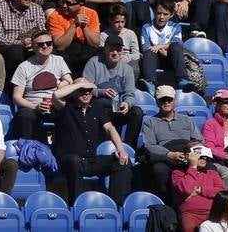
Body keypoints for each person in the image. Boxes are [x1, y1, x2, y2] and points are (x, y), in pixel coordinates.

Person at [51, 77, 133, 205]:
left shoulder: (97, 107)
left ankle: (116, 206)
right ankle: (76, 206)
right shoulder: (65, 106)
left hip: (91, 160)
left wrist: (120, 149)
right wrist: (79, 84)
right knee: (74, 161)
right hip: (68, 161)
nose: (86, 93)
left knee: (123, 162)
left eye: (89, 90)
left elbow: (110, 128)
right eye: (82, 90)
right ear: (74, 90)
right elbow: (56, 95)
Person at [10, 27, 72, 140]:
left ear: (52, 45)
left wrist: (65, 82)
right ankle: (26, 148)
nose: (45, 46)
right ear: (33, 47)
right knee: (24, 115)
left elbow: (69, 80)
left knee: (71, 113)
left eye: (48, 43)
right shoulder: (24, 66)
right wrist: (35, 107)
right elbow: (16, 97)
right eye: (40, 44)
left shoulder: (59, 60)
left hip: (56, 106)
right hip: (33, 106)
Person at [82, 33, 144, 148]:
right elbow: (84, 89)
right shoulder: (94, 63)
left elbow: (130, 94)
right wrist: (101, 92)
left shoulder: (127, 69)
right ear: (105, 50)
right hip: (95, 106)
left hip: (115, 107)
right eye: (112, 50)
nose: (115, 53)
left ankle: (129, 148)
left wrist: (127, 104)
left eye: (118, 50)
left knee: (137, 112)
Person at [140, 84, 204, 195]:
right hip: (166, 156)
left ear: (174, 100)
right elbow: (149, 145)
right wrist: (170, 154)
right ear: (157, 101)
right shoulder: (150, 122)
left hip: (187, 153)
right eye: (162, 100)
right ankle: (167, 201)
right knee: (158, 169)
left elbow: (199, 140)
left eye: (169, 99)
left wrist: (190, 154)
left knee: (211, 168)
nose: (166, 102)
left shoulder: (187, 120)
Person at [0, 0, 46, 79]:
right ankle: (14, 89)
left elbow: (43, 32)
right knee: (15, 52)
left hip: (32, 45)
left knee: (46, 50)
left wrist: (34, 42)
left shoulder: (36, 9)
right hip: (9, 48)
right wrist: (20, 43)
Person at [174, 142, 227, 232]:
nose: (204, 158)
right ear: (188, 156)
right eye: (200, 156)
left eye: (205, 156)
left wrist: (200, 190)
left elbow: (220, 191)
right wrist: (192, 167)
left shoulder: (212, 173)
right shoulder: (178, 173)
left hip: (212, 212)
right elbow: (186, 189)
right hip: (190, 213)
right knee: (189, 228)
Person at [48, 0, 102, 72]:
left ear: (80, 4)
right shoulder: (55, 16)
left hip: (85, 50)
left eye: (69, 3)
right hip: (66, 52)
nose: (64, 6)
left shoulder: (91, 13)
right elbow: (60, 46)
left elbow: (95, 44)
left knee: (100, 52)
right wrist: (74, 25)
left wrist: (84, 26)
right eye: (63, 1)